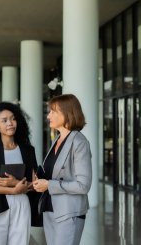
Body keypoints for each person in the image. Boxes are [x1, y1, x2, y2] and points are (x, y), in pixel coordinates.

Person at [0, 102, 42, 245]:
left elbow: (35, 183)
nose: (10, 123)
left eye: (13, 119)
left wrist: (17, 185)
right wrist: (13, 189)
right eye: (4, 120)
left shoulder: (27, 150)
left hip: (22, 205)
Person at [33, 94, 92, 245]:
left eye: (53, 111)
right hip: (50, 209)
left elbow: (83, 186)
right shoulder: (57, 140)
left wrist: (49, 185)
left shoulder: (79, 142)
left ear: (67, 113)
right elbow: (52, 174)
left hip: (68, 213)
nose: (48, 116)